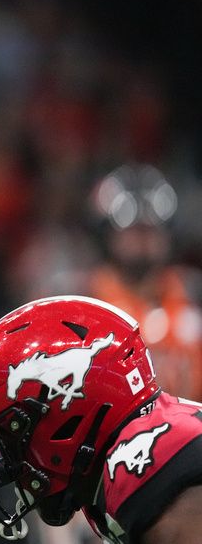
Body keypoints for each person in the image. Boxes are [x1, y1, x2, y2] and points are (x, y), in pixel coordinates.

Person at [0, 295, 202, 544]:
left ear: (59, 415)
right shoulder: (111, 468)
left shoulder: (141, 461)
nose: (7, 462)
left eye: (11, 437)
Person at [86, 164, 202, 400]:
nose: (142, 240)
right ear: (109, 234)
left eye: (150, 230)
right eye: (133, 231)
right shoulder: (85, 301)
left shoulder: (195, 294)